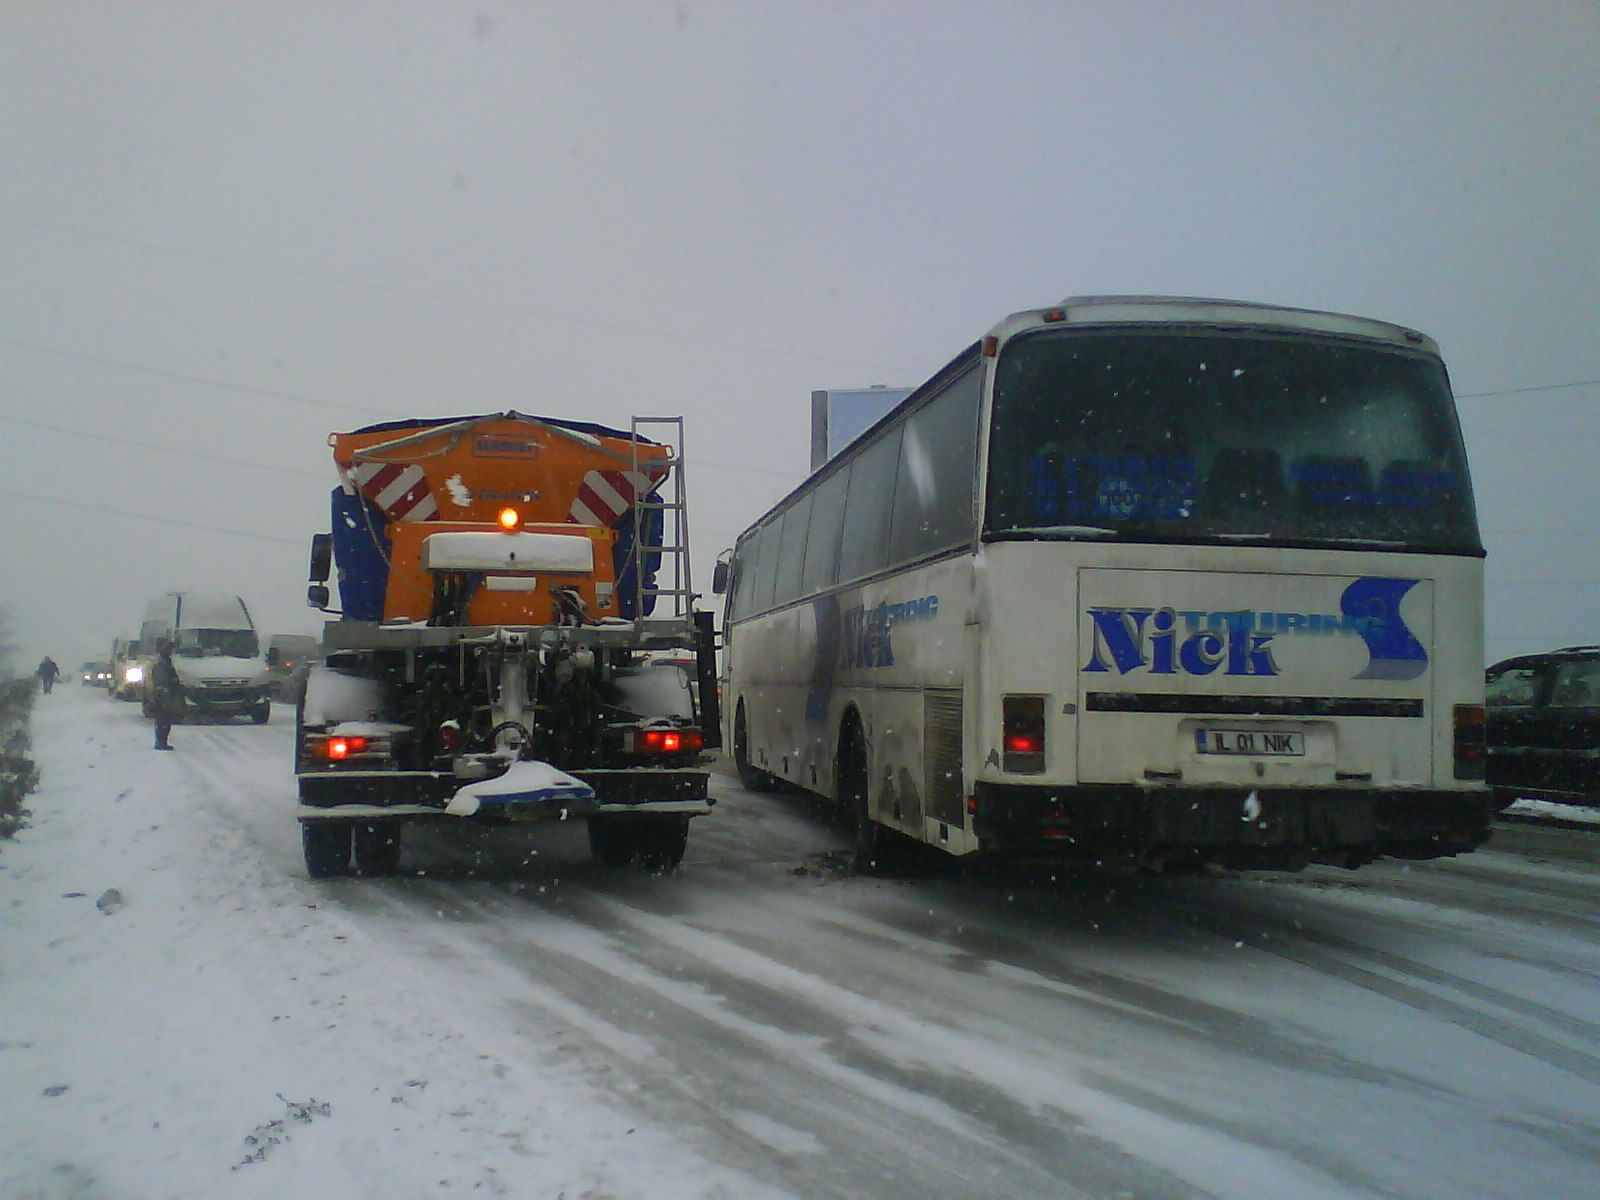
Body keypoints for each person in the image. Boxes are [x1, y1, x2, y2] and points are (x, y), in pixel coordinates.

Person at [150, 639, 180, 751]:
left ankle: (162, 742)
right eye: (169, 649)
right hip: (162, 694)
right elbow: (160, 679)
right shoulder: (161, 662)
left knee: (165, 720)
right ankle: (160, 742)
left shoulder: (166, 660)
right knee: (163, 720)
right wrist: (166, 688)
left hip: (165, 693)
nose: (170, 651)